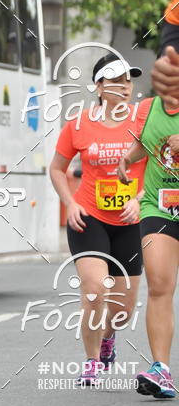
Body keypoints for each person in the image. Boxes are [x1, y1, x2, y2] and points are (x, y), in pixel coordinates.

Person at [49, 54, 151, 386]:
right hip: (88, 218)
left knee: (122, 311)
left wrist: (139, 200)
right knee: (94, 291)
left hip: (131, 221)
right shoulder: (78, 124)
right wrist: (69, 203)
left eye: (128, 80)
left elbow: (159, 168)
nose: (124, 86)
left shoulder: (143, 123)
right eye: (115, 80)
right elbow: (57, 168)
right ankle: (92, 361)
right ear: (99, 86)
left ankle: (108, 337)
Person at [117, 90, 179, 399]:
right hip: (160, 206)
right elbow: (145, 142)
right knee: (158, 285)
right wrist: (128, 158)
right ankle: (161, 370)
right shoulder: (147, 108)